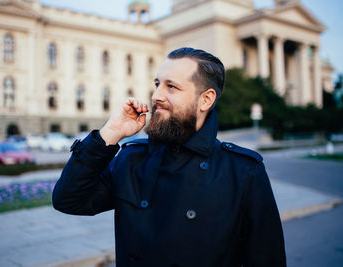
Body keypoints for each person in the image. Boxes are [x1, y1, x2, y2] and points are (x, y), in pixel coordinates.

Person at [52, 47, 286, 267]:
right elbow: (69, 200)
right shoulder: (132, 160)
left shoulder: (243, 171)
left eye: (171, 87)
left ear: (206, 99)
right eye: (157, 84)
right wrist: (109, 133)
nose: (156, 96)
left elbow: (266, 260)